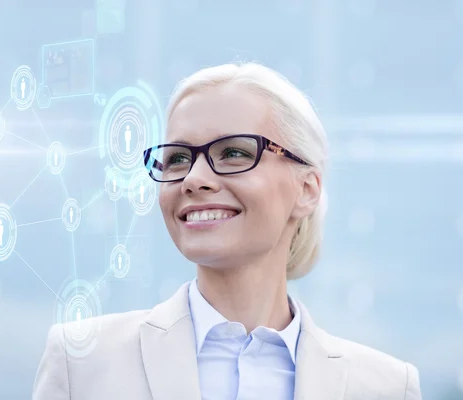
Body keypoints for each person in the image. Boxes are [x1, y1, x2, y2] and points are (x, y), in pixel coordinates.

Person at [33, 62, 422, 399]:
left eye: (234, 152)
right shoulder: (80, 363)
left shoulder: (386, 388)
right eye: (178, 158)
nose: (193, 178)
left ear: (307, 190)